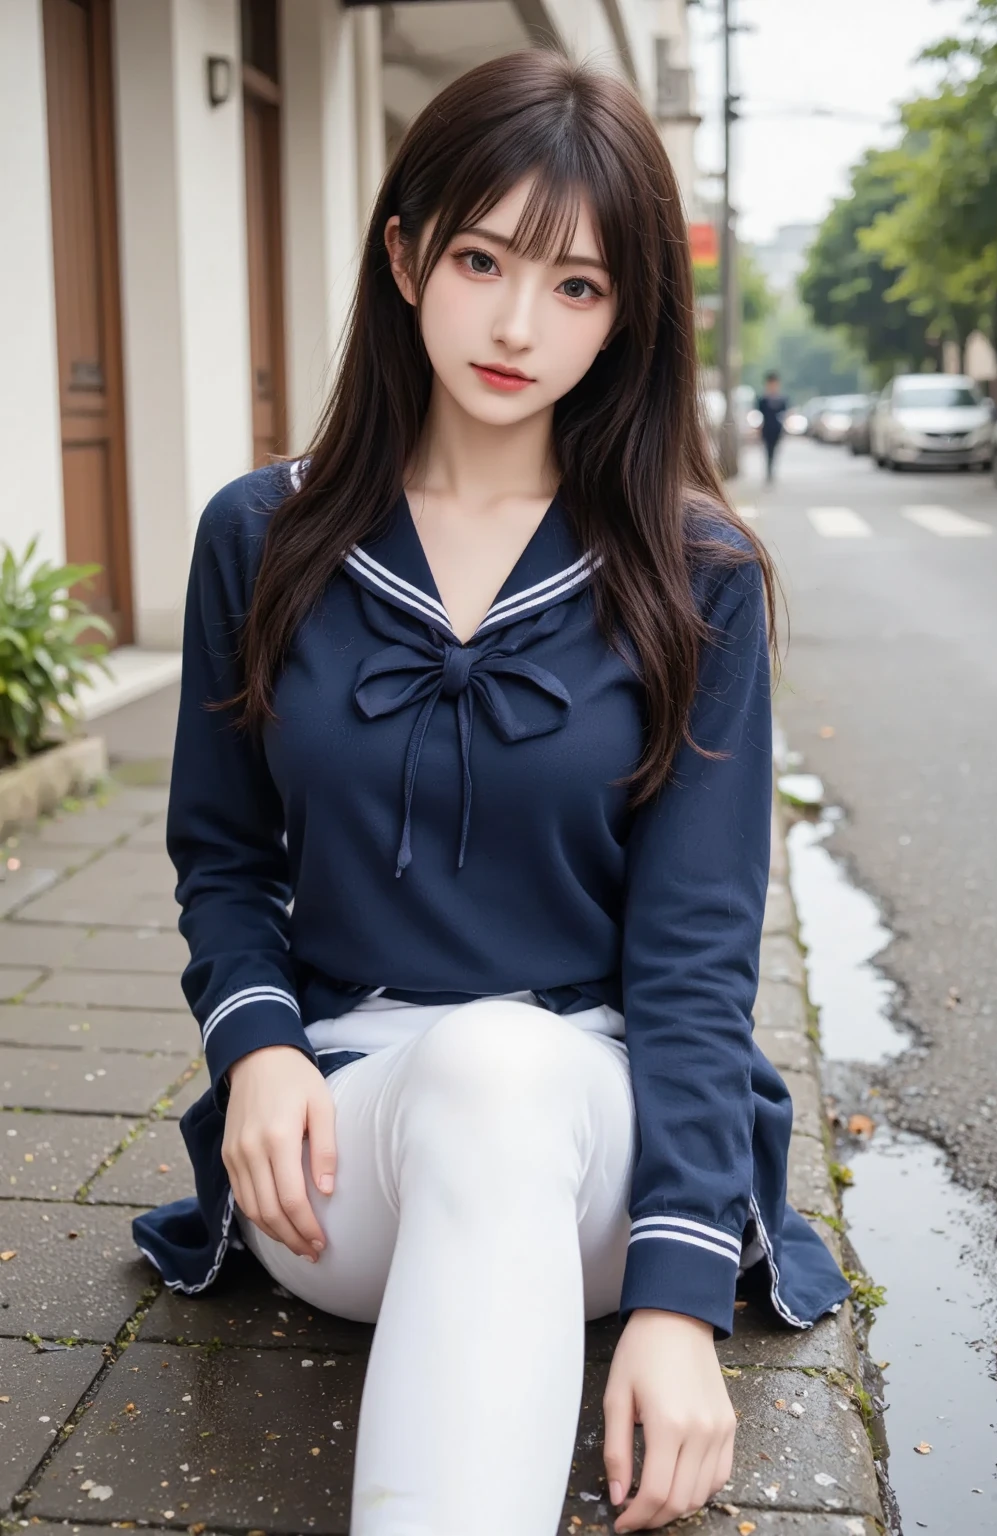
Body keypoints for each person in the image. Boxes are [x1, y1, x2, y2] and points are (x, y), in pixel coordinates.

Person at [133, 50, 848, 1536]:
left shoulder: (692, 574)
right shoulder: (258, 536)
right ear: (405, 255)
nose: (519, 325)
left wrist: (674, 1302)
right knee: (460, 1073)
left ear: (632, 314)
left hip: (601, 1125)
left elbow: (700, 956)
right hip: (347, 1142)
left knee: (503, 1069)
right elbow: (218, 852)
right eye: (482, 259)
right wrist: (260, 1048)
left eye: (579, 286)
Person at [757, 372, 789, 482]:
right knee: (768, 451)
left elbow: (785, 414)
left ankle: (772, 471)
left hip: (777, 429)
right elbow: (758, 414)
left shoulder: (782, 399)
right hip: (766, 429)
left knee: (774, 451)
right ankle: (768, 472)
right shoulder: (763, 400)